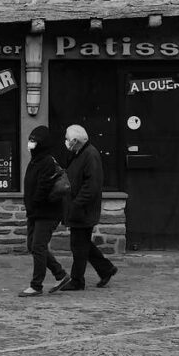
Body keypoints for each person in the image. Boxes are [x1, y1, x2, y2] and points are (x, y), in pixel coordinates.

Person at [51, 124, 118, 292]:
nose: (65, 142)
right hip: (79, 207)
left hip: (83, 209)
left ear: (75, 141)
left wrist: (76, 204)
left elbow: (91, 186)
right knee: (82, 244)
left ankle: (77, 280)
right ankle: (106, 269)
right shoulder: (79, 153)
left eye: (67, 139)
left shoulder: (90, 155)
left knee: (78, 245)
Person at [19, 126, 70, 296]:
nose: (30, 144)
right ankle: (60, 274)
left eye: (34, 141)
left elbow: (43, 187)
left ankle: (36, 285)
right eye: (30, 140)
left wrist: (34, 203)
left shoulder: (47, 161)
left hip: (47, 212)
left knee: (38, 246)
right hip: (35, 212)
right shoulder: (35, 160)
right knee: (32, 246)